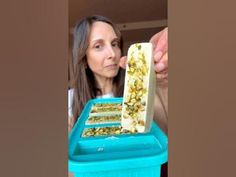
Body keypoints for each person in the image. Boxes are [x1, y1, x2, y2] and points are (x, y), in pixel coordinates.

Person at [68, 15, 168, 134]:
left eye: (114, 44)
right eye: (98, 46)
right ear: (84, 59)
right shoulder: (69, 101)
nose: (112, 54)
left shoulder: (143, 90)